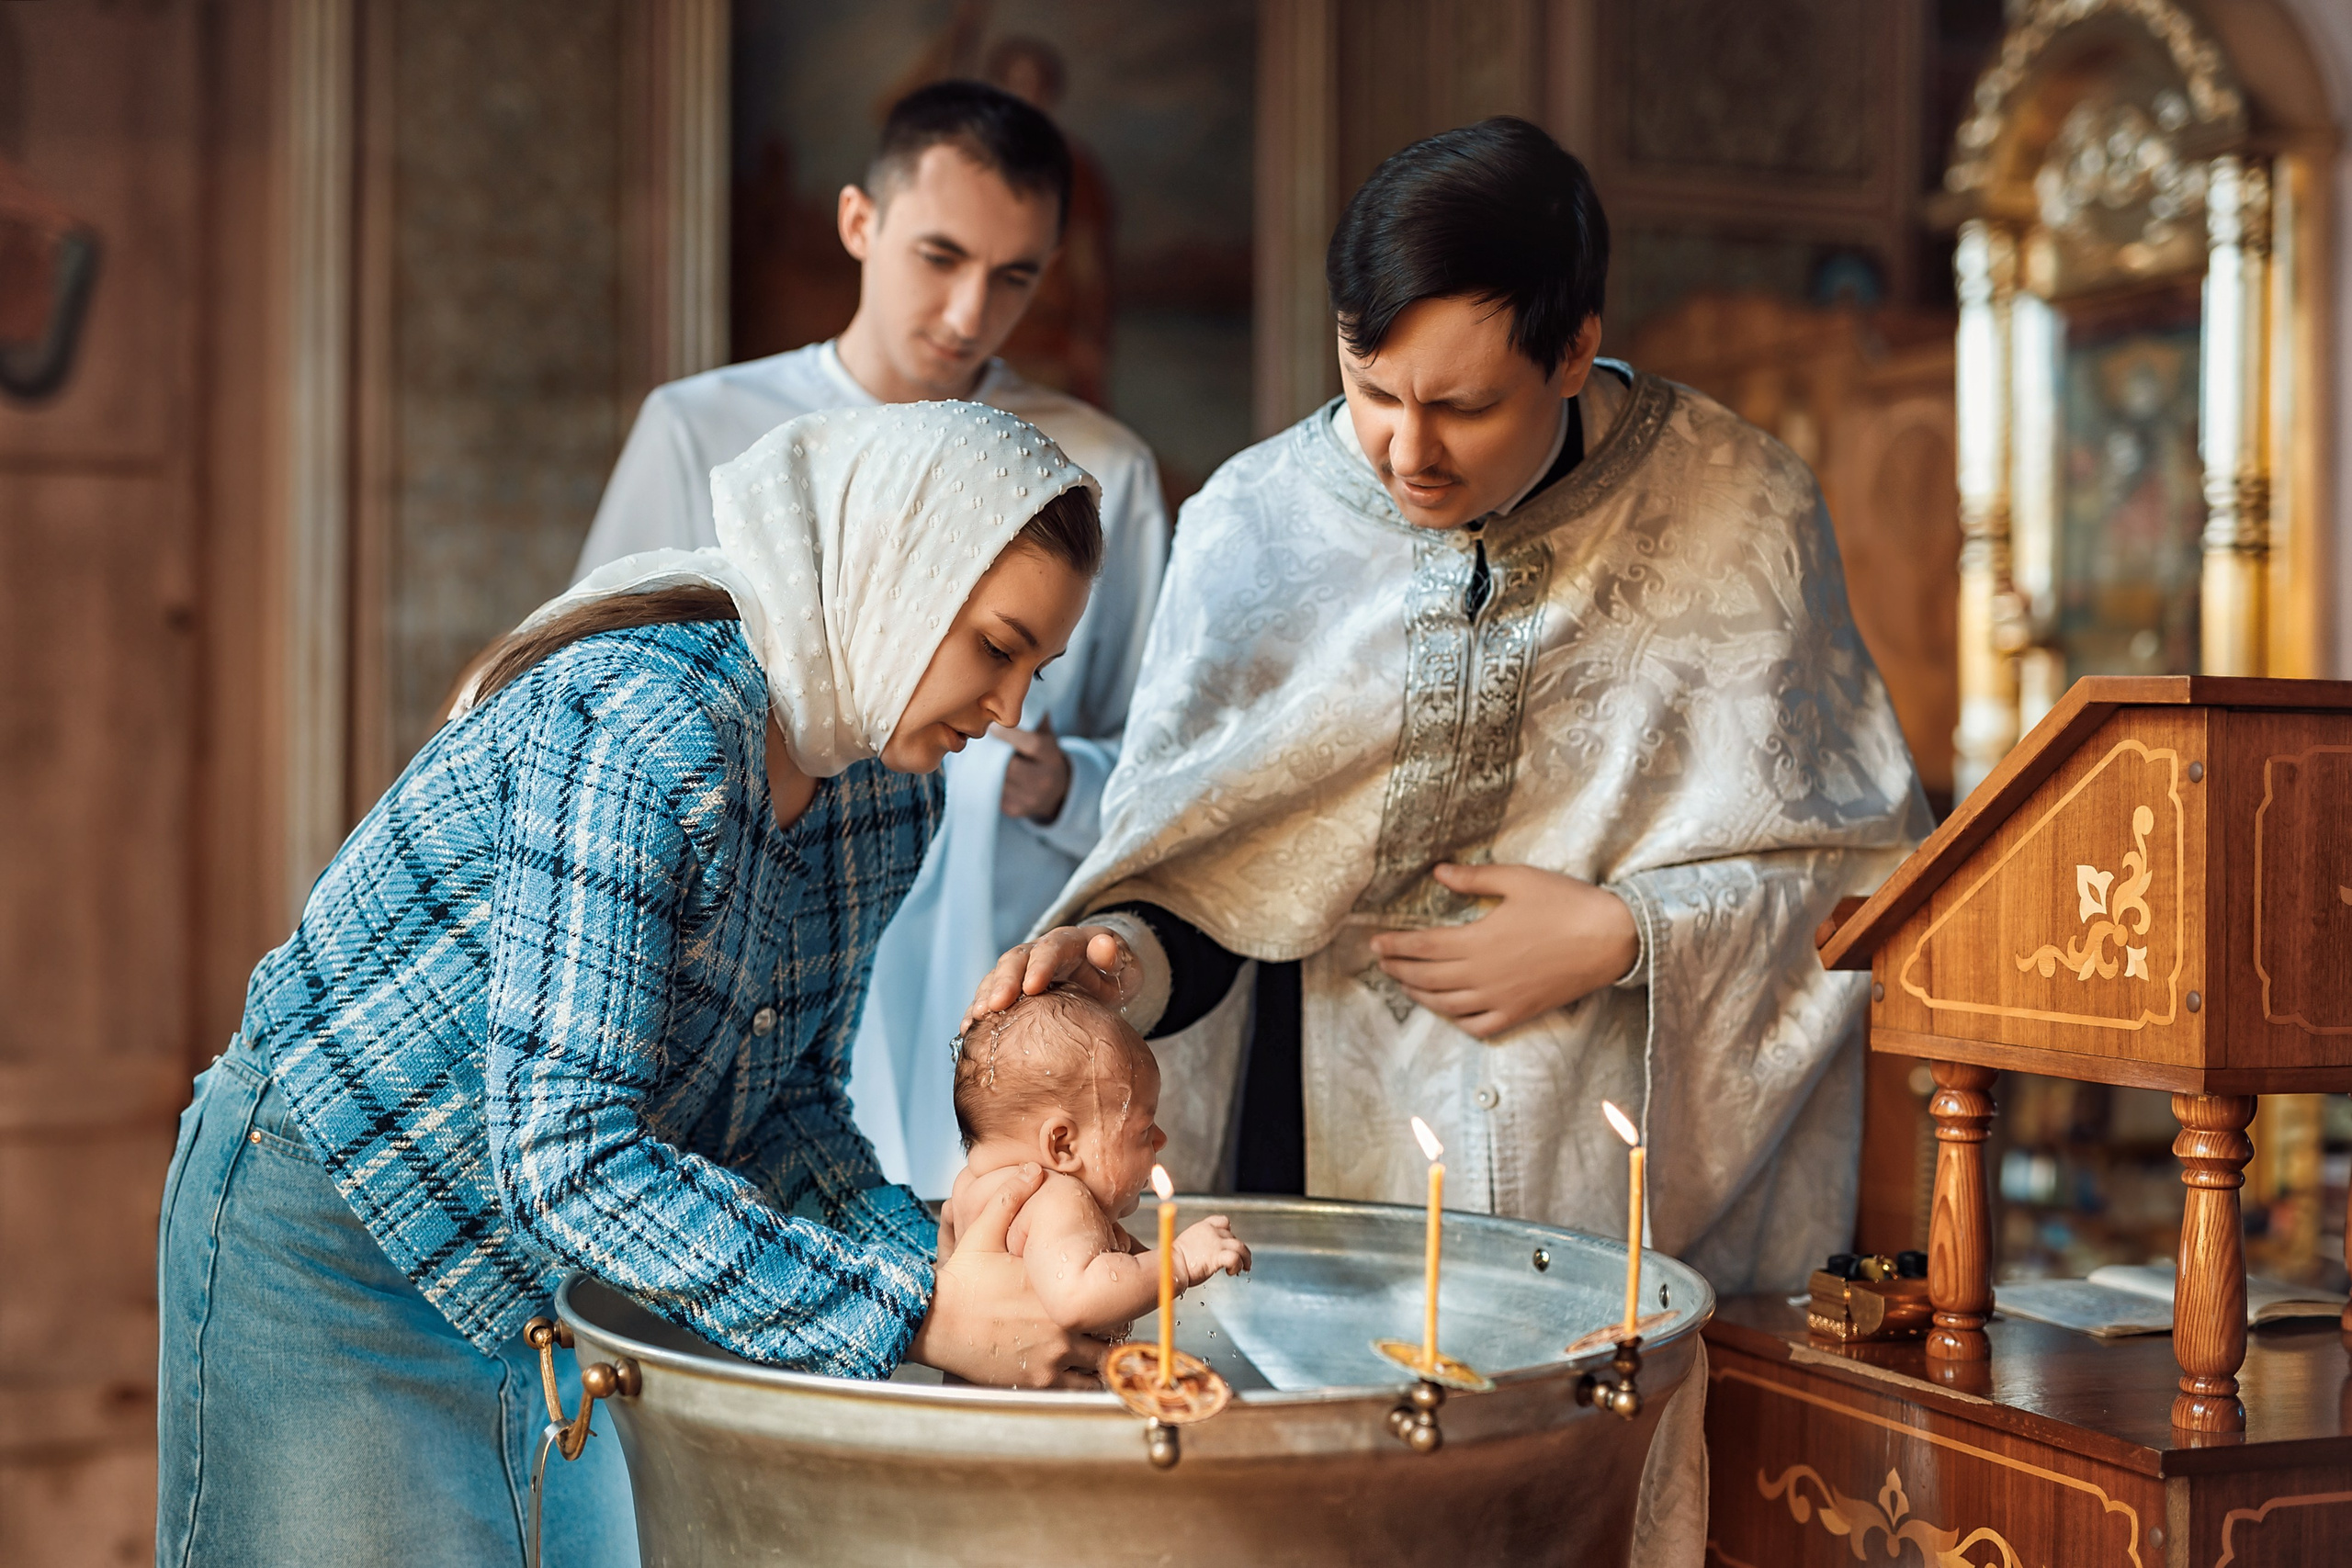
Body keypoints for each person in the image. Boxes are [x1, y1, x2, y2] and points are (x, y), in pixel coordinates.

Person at [967, 118, 1930, 1566]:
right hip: (1313, 1181)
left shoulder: (1743, 511)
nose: (1407, 453)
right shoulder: (1258, 525)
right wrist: (1121, 957)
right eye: (1370, 391)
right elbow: (1211, 881)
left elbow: (1867, 876)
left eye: (1465, 407)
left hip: (1601, 1177)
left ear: (1572, 345)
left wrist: (1626, 932)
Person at [157, 402, 1111, 1567]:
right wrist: (915, 1314)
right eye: (996, 648)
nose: (1013, 712)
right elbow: (564, 1154)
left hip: (567, 1277)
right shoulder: (642, 724)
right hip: (338, 1248)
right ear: (895, 575)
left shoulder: (888, 794)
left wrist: (960, 1264)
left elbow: (784, 1108)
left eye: (1038, 669)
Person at [576, 80, 1168, 1201]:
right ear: (860, 223)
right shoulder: (699, 429)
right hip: (727, 939)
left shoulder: (1102, 470)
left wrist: (1058, 782)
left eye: (1014, 277)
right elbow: (595, 687)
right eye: (939, 257)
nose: (965, 313)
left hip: (986, 941)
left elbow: (1151, 761)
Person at [938, 987, 1249, 1338]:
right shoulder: (1058, 1197)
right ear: (1063, 1145)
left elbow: (947, 1279)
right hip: (1040, 1395)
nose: (1160, 1139)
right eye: (1144, 1127)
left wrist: (1145, 1260)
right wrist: (1179, 1261)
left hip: (982, 1393)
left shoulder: (966, 1189)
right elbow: (1078, 1297)